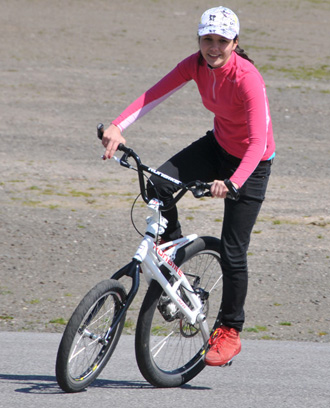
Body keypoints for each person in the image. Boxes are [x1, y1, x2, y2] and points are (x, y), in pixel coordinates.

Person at [100, 6, 274, 367]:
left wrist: (232, 182)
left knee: (233, 249)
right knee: (158, 185)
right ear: (199, 39)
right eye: (207, 40)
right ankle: (175, 264)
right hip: (218, 146)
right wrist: (117, 126)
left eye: (222, 41)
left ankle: (229, 329)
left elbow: (258, 142)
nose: (213, 48)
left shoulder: (248, 78)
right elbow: (152, 96)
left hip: (251, 166)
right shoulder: (194, 65)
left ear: (235, 43)